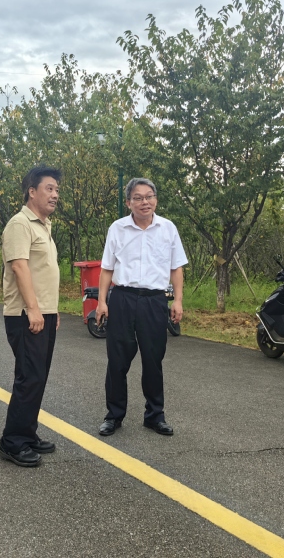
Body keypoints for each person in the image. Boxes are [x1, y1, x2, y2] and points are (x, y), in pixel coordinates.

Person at [95, 178, 187, 437]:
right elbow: (107, 268)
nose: (144, 202)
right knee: (117, 360)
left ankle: (155, 416)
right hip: (122, 298)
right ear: (128, 202)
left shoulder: (168, 228)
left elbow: (176, 268)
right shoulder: (118, 228)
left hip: (154, 300)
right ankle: (114, 416)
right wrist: (101, 302)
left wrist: (178, 300)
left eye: (149, 196)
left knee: (153, 359)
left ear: (155, 199)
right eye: (138, 197)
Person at [0, 166, 62, 467]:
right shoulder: (20, 224)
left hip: (42, 312)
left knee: (39, 376)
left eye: (57, 190)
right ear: (31, 191)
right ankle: (12, 442)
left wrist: (51, 310)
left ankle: (27, 433)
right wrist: (34, 309)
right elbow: (19, 267)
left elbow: (42, 272)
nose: (55, 194)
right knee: (29, 376)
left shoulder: (43, 225)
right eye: (49, 188)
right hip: (25, 314)